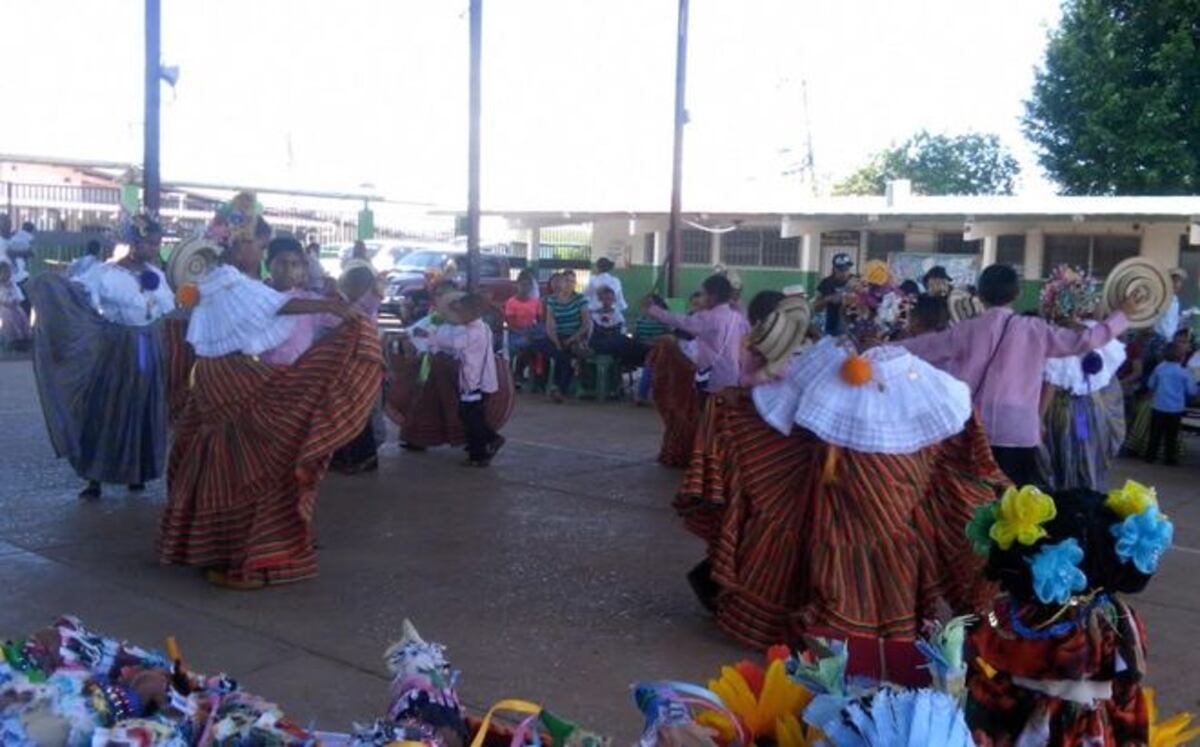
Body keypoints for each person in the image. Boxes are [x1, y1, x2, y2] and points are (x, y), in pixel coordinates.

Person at [675, 273, 1005, 683]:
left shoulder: (838, 378)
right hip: (876, 517)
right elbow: (959, 436)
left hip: (846, 513)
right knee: (886, 555)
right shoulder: (922, 391)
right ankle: (881, 640)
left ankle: (846, 638)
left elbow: (783, 418)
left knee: (856, 556)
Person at [158, 192, 381, 590]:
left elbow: (268, 308)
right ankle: (256, 555)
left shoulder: (222, 280)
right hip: (231, 376)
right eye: (259, 245)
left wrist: (326, 305)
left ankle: (228, 549)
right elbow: (274, 307)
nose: (260, 253)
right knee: (265, 459)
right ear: (240, 242)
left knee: (229, 461)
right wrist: (331, 309)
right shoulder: (226, 278)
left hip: (222, 375)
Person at [900, 264, 1134, 487]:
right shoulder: (1035, 329)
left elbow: (926, 347)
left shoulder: (966, 330)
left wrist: (880, 351)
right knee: (1014, 501)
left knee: (977, 494)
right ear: (1017, 293)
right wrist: (1120, 317)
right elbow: (1083, 341)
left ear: (980, 295)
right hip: (1019, 430)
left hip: (975, 429)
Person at [29, 213, 175, 500]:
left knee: (143, 401)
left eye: (157, 244)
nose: (154, 249)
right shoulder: (104, 273)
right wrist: (51, 286)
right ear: (133, 243)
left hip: (148, 345)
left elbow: (164, 307)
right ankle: (94, 476)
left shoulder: (156, 275)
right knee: (108, 405)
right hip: (117, 347)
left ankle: (138, 471)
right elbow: (78, 293)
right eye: (149, 243)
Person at [1035, 267, 1127, 491]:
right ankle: (1086, 490)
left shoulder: (1057, 336)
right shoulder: (1094, 330)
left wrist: (1037, 419)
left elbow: (1052, 385)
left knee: (1064, 453)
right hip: (1089, 408)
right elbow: (1107, 378)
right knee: (1084, 447)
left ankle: (1067, 495)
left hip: (1065, 410)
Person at [422, 293, 505, 466]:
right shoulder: (482, 327)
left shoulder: (470, 333)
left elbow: (448, 343)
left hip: (473, 381)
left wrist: (428, 332)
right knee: (472, 414)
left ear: (471, 313)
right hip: (481, 379)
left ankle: (481, 451)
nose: (458, 316)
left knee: (470, 416)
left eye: (461, 312)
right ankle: (485, 441)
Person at [642, 274, 749, 400]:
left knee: (703, 413)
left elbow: (680, 321)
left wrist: (654, 310)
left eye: (703, 294)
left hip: (711, 379)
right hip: (732, 377)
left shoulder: (707, 318)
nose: (700, 299)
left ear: (712, 297)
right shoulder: (737, 317)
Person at [538, 269, 591, 402]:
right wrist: (556, 342)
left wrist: (571, 339)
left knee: (565, 355)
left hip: (575, 336)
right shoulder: (552, 300)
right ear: (561, 282)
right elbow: (550, 324)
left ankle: (558, 388)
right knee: (555, 351)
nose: (569, 284)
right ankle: (557, 388)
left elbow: (586, 324)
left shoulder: (580, 299)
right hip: (556, 337)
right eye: (567, 280)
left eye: (573, 281)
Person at [1144, 343, 1197, 465]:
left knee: (1155, 433)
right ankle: (1169, 458)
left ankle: (1150, 456)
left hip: (1158, 406)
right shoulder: (1184, 372)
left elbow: (1151, 384)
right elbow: (1191, 390)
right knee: (1172, 435)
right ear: (1182, 357)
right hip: (1176, 408)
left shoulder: (1159, 368)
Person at [631, 295, 671, 406]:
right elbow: (635, 338)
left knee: (652, 360)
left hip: (658, 350)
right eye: (645, 305)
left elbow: (668, 337)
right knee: (650, 358)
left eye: (650, 304)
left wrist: (655, 343)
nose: (647, 307)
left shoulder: (663, 321)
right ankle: (643, 394)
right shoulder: (640, 320)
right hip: (642, 349)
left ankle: (642, 395)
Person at [504, 270, 544, 358]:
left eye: (528, 285)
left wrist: (533, 332)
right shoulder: (511, 302)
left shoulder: (536, 302)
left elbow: (540, 321)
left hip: (533, 332)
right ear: (517, 285)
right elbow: (510, 324)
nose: (525, 287)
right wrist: (523, 333)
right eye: (522, 284)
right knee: (514, 345)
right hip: (516, 333)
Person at [813, 252, 854, 336]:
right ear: (834, 269)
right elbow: (815, 306)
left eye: (847, 269)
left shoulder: (856, 281)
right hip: (831, 325)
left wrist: (848, 298)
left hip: (851, 327)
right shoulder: (826, 283)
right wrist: (828, 299)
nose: (844, 273)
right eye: (841, 270)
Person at [0, 259, 32, 350]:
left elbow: (18, 295)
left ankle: (24, 338)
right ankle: (12, 340)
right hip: (3, 307)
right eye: (3, 273)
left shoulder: (13, 284)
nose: (6, 275)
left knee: (21, 315)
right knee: (8, 317)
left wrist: (16, 300)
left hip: (15, 306)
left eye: (8, 272)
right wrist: (5, 302)